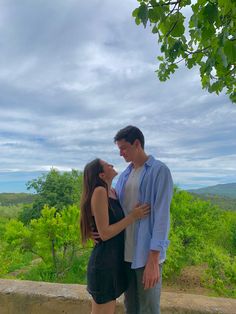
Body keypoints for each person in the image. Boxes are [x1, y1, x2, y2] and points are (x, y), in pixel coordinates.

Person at [114, 125, 173, 314]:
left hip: (147, 255)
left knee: (149, 309)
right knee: (130, 308)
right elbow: (118, 211)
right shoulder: (124, 175)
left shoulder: (159, 171)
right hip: (126, 255)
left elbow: (162, 216)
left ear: (137, 144)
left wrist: (154, 259)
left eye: (124, 148)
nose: (121, 153)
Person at [80, 158, 150, 314]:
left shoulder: (112, 192)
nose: (112, 165)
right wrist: (133, 216)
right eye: (107, 165)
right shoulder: (99, 191)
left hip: (112, 262)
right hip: (104, 264)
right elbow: (104, 234)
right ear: (101, 175)